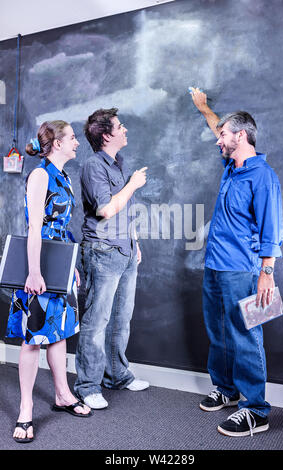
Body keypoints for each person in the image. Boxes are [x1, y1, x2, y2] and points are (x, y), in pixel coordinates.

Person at [190, 88, 283, 437]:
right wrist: (203, 108)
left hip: (245, 270)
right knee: (219, 332)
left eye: (224, 136)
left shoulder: (263, 176)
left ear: (240, 136)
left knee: (246, 335)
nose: (218, 141)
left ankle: (256, 410)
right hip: (215, 266)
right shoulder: (231, 165)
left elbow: (272, 231)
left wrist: (266, 274)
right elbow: (217, 126)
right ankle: (227, 390)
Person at [6, 120, 92, 443]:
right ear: (56, 143)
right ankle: (26, 409)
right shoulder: (40, 175)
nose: (76, 142)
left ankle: (63, 395)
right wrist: (34, 272)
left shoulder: (63, 177)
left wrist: (69, 268)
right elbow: (35, 229)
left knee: (59, 332)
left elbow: (62, 230)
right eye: (72, 138)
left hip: (58, 265)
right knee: (33, 338)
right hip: (37, 265)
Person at [74, 108, 149, 409]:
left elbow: (123, 211)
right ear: (107, 135)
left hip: (125, 250)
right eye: (120, 126)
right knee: (97, 322)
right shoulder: (94, 165)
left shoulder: (117, 163)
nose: (125, 129)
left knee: (121, 319)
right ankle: (87, 386)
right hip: (102, 253)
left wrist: (135, 242)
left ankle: (117, 375)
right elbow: (105, 209)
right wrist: (132, 184)